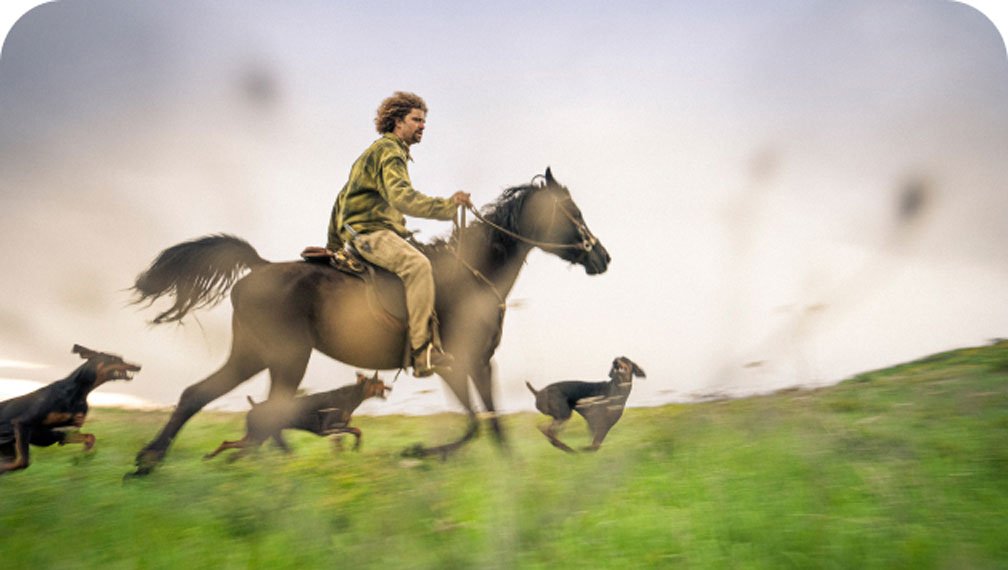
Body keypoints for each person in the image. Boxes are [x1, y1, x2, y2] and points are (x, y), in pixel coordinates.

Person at [327, 92, 472, 377]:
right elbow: (402, 197)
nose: (422, 126)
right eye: (416, 120)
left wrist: (333, 243)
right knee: (418, 266)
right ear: (397, 122)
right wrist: (448, 206)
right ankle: (422, 353)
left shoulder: (373, 153)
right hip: (372, 234)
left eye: (424, 121)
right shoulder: (390, 151)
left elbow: (341, 200)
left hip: (364, 233)